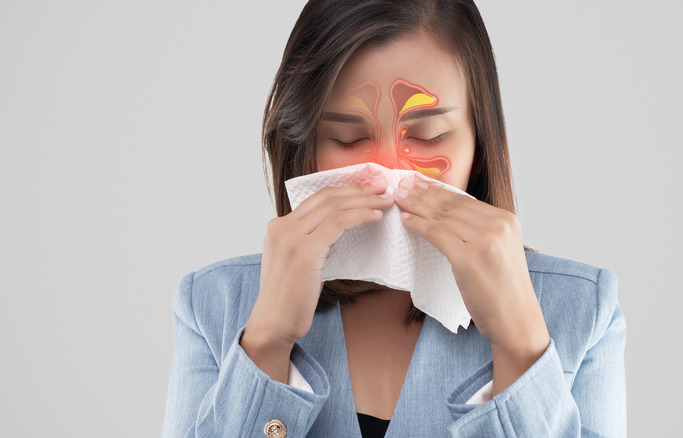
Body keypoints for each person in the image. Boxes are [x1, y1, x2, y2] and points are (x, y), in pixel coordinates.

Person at [161, 0, 626, 436]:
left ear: (479, 149)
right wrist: (266, 343)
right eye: (348, 137)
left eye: (426, 135)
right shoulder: (213, 305)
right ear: (305, 150)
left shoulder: (584, 311)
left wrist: (521, 347)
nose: (389, 169)